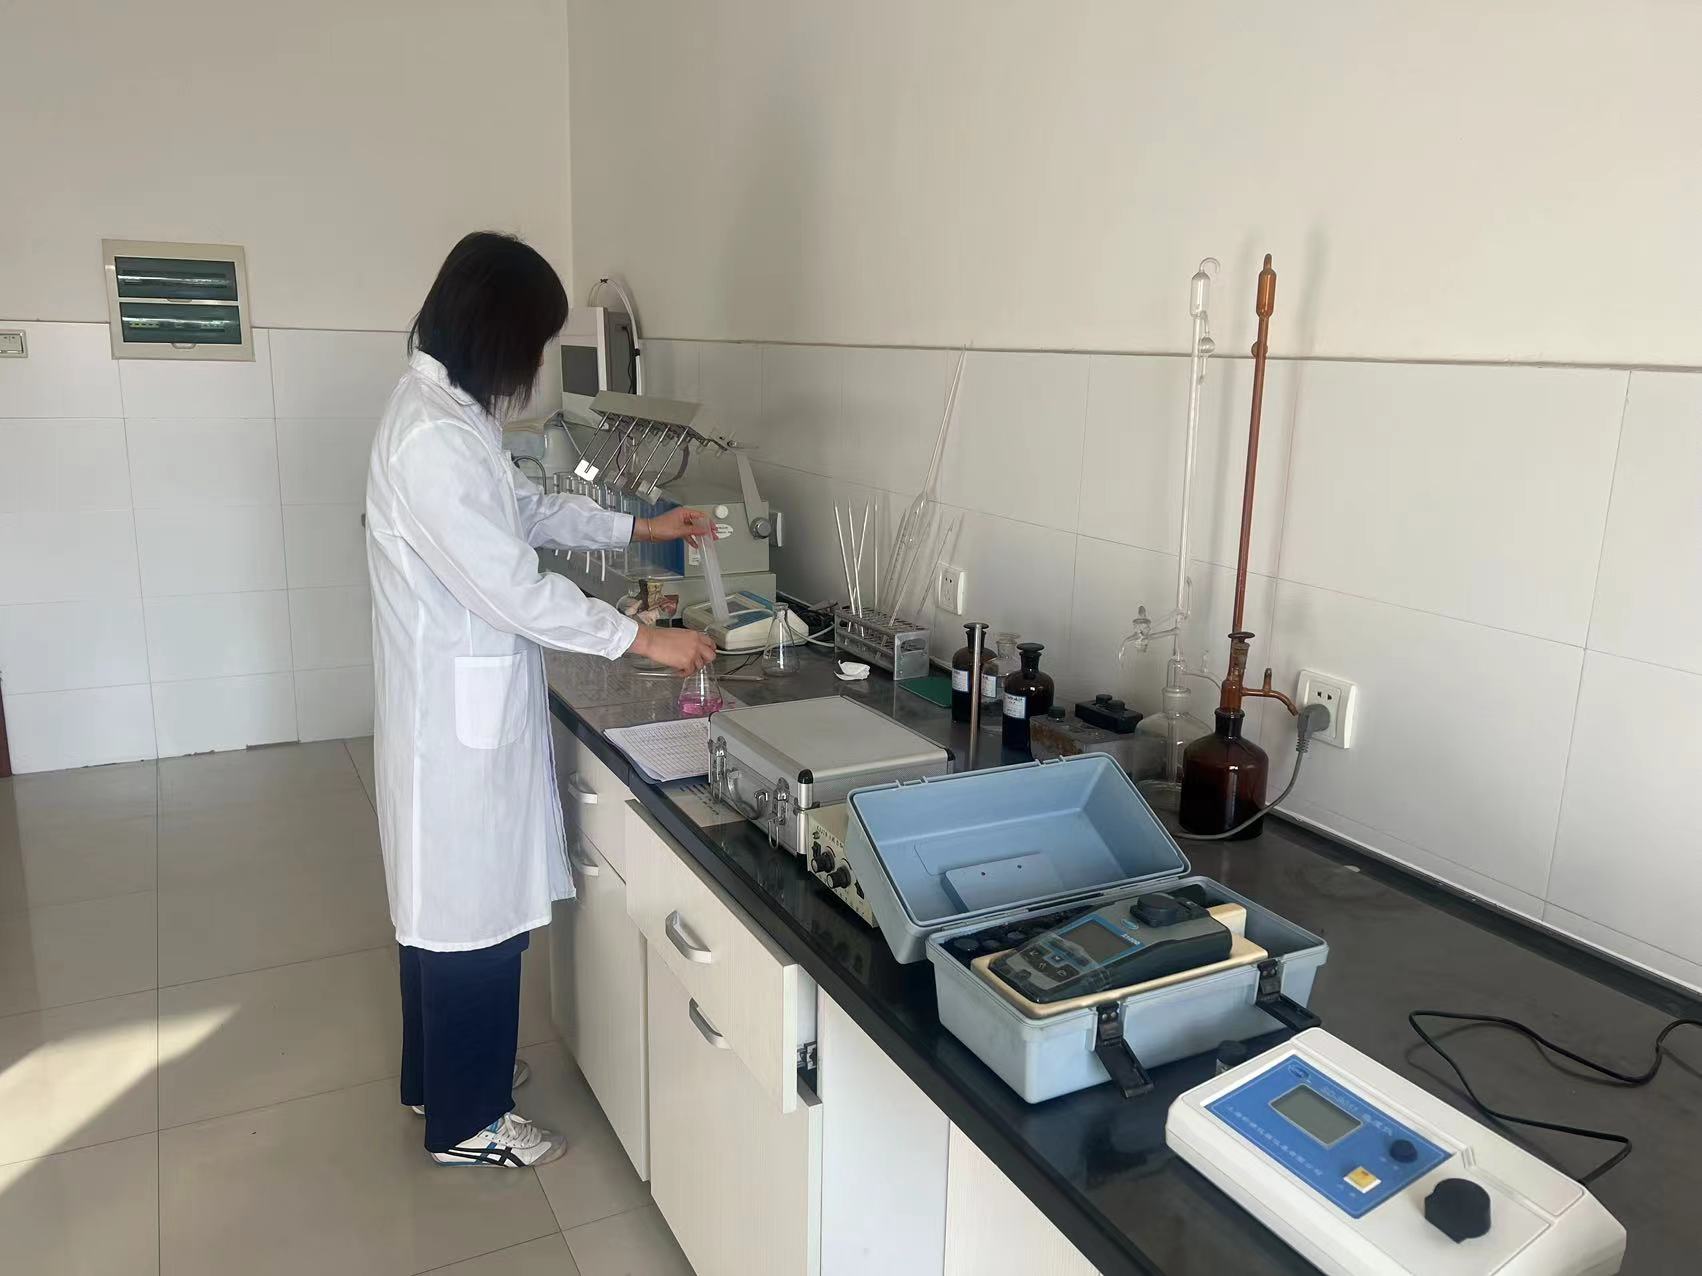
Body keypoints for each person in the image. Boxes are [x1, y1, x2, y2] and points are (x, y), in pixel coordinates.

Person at [365, 231, 716, 1167]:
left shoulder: (449, 416)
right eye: (534, 344)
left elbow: (523, 511)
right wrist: (643, 637)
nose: (534, 366)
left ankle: (438, 1082)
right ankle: (468, 1123)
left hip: (457, 707)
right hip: (453, 728)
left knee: (449, 916)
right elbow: (511, 587)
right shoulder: (434, 438)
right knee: (471, 921)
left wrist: (640, 527)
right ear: (497, 333)